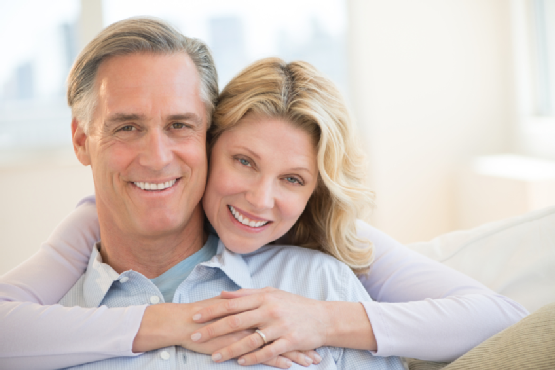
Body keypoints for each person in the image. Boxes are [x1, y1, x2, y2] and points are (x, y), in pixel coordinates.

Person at [0, 17, 527, 370]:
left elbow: (502, 321)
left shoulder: (323, 276)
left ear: (199, 137)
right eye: (126, 127)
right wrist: (172, 322)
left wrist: (323, 319)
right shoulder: (60, 301)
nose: (158, 157)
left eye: (179, 126)